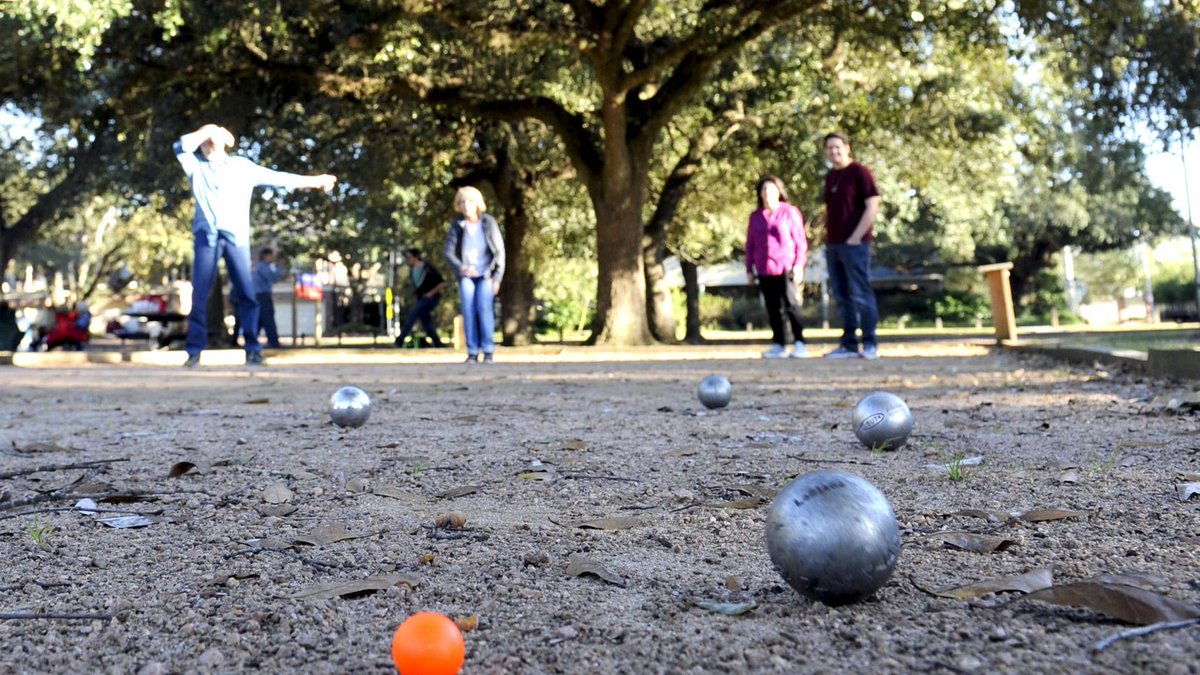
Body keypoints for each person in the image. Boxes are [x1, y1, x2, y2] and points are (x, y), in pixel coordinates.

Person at [173, 123, 336, 367]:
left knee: (248, 295)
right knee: (200, 296)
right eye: (205, 141)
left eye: (212, 141)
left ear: (224, 144)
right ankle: (194, 351)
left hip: (235, 238)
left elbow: (280, 178)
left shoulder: (242, 167)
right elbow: (180, 146)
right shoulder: (196, 166)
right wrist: (208, 130)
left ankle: (253, 349)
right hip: (206, 237)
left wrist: (316, 181)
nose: (208, 144)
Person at [822, 132, 882, 360]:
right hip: (833, 245)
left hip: (855, 245)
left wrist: (856, 236)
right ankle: (848, 344)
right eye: (829, 148)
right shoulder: (830, 176)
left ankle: (869, 343)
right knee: (842, 294)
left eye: (837, 147)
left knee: (861, 293)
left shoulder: (859, 172)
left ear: (847, 147)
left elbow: (872, 205)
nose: (833, 151)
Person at [744, 175, 809, 359]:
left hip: (786, 267)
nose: (767, 193)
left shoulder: (789, 212)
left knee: (791, 305)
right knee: (773, 308)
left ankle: (799, 342)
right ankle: (778, 343)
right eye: (764, 189)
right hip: (765, 269)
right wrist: (749, 269)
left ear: (779, 191)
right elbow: (750, 245)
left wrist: (798, 264)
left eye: (771, 189)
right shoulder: (755, 217)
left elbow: (800, 241)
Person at [443, 186, 505, 363]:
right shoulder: (457, 225)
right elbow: (447, 252)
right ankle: (472, 351)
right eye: (461, 201)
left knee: (484, 309)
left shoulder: (488, 223)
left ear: (477, 203)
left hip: (486, 274)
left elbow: (499, 252)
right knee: (468, 310)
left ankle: (488, 350)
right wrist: (461, 268)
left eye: (468, 201)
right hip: (466, 275)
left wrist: (497, 277)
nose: (465, 205)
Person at [394, 248, 447, 349]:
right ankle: (439, 345)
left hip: (431, 299)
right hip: (421, 299)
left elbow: (442, 283)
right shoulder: (412, 270)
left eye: (409, 257)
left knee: (412, 315)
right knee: (426, 323)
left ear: (415, 257)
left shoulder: (428, 268)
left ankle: (399, 341)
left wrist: (430, 293)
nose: (408, 259)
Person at [252, 247, 286, 348]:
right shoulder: (262, 267)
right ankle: (273, 342)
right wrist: (280, 267)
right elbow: (273, 278)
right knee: (268, 319)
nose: (273, 258)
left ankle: (253, 341)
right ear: (265, 256)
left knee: (260, 320)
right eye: (271, 255)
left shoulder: (263, 267)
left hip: (260, 296)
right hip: (262, 296)